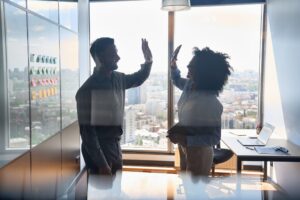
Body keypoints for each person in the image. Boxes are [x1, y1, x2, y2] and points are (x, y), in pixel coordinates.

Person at [76, 37, 152, 175]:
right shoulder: (87, 90)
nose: (118, 57)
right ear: (100, 57)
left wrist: (148, 61)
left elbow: (138, 78)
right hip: (98, 153)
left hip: (115, 147)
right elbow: (88, 134)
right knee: (102, 194)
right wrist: (102, 164)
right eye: (113, 53)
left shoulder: (118, 78)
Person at [168, 45, 233, 176]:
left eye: (191, 66)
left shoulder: (211, 102)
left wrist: (186, 140)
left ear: (202, 72)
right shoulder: (190, 85)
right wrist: (173, 66)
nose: (187, 66)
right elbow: (176, 79)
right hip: (185, 147)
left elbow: (214, 138)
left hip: (199, 153)